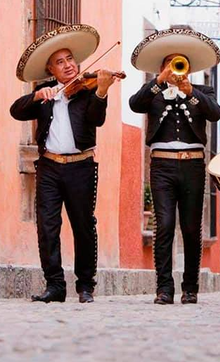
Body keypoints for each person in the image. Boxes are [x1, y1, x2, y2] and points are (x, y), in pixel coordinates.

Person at [10, 24, 118, 303]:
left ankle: (85, 286)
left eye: (70, 59)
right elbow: (16, 110)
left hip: (80, 166)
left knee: (83, 225)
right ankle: (55, 286)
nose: (68, 65)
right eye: (60, 62)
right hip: (48, 167)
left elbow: (97, 119)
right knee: (47, 227)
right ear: (51, 70)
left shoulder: (87, 91)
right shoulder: (45, 94)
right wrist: (36, 95)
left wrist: (102, 92)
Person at [129, 28, 220, 305]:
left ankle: (190, 287)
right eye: (170, 64)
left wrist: (189, 90)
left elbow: (215, 113)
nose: (175, 69)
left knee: (192, 228)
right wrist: (159, 81)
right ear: (162, 68)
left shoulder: (202, 91)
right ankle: (164, 288)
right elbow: (135, 104)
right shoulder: (153, 93)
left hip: (192, 166)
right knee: (165, 225)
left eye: (179, 63)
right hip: (162, 166)